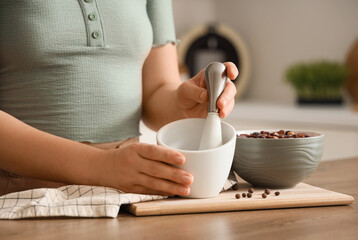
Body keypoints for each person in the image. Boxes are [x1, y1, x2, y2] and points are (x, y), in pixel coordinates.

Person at [0, 0, 237, 197]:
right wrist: (102, 165)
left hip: (129, 190)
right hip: (25, 193)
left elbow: (158, 88)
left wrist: (186, 104)